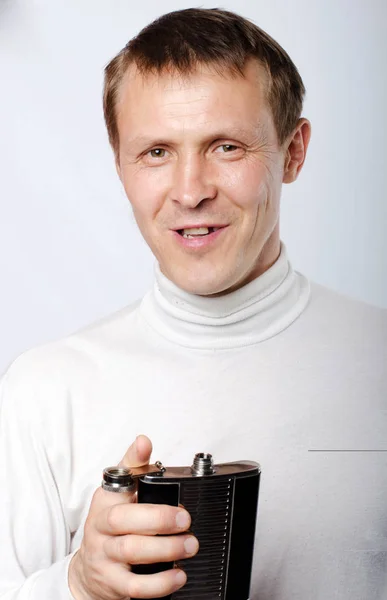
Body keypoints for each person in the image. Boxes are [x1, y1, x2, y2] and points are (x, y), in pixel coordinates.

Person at [0, 7, 386, 600]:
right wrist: (77, 585)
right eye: (156, 152)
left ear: (293, 151)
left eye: (226, 147)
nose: (189, 191)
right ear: (119, 164)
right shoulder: (42, 392)